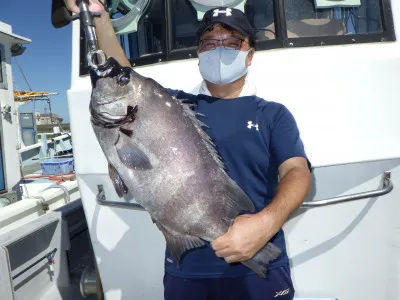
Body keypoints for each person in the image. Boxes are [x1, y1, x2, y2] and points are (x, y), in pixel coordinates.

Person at [65, 1, 312, 299]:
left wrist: (264, 224)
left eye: (232, 42)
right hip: (186, 270)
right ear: (198, 53)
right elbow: (124, 78)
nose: (219, 48)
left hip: (260, 264)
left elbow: (296, 171)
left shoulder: (273, 114)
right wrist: (100, 16)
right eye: (209, 42)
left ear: (249, 55)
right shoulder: (171, 106)